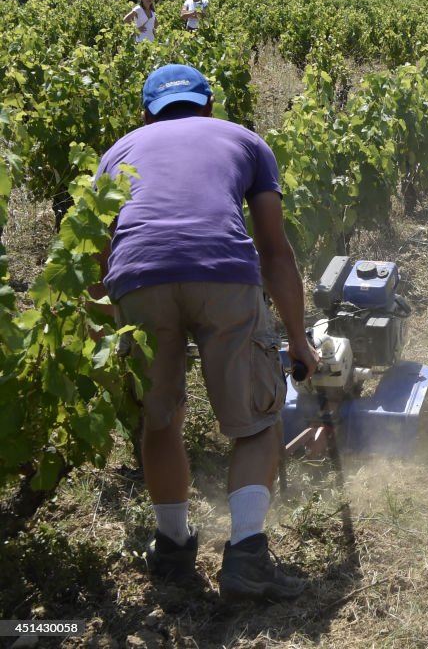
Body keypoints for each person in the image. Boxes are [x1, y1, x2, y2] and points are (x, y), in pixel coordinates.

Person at [93, 64, 319, 601]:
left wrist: (106, 336)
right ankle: (245, 558)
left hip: (136, 277)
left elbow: (98, 257)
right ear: (210, 106)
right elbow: (274, 249)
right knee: (257, 421)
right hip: (223, 272)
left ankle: (172, 547)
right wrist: (298, 338)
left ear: (146, 115)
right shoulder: (245, 140)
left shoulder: (119, 150)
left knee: (161, 417)